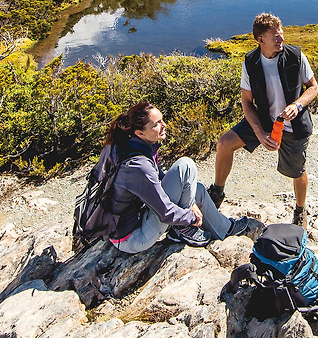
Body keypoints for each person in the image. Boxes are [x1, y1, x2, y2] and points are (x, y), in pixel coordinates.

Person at [99, 101, 262, 253]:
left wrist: (189, 204)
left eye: (161, 120)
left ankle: (225, 229)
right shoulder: (138, 165)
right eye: (156, 124)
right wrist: (190, 217)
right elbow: (165, 212)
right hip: (134, 237)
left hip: (139, 217)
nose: (164, 125)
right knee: (185, 165)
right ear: (140, 133)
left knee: (197, 190)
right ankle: (183, 229)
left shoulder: (132, 145)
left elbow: (158, 184)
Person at [209, 13, 318, 226]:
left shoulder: (296, 56)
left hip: (294, 125)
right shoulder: (251, 62)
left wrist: (297, 105)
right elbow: (246, 102)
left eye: (281, 34)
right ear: (261, 39)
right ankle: (216, 193)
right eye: (276, 36)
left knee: (297, 171)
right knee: (224, 143)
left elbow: (313, 87)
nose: (282, 39)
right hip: (264, 120)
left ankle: (300, 211)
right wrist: (260, 133)